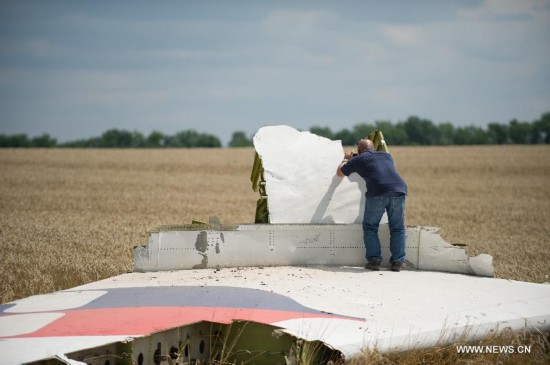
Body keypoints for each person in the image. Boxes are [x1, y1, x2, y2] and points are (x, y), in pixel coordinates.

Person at [336, 139, 408, 272]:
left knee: (370, 227)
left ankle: (374, 260)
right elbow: (373, 160)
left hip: (377, 192)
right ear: (373, 147)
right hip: (399, 190)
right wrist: (356, 157)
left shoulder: (358, 159)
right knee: (398, 228)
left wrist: (347, 159)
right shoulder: (387, 155)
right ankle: (398, 261)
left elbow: (340, 173)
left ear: (359, 150)